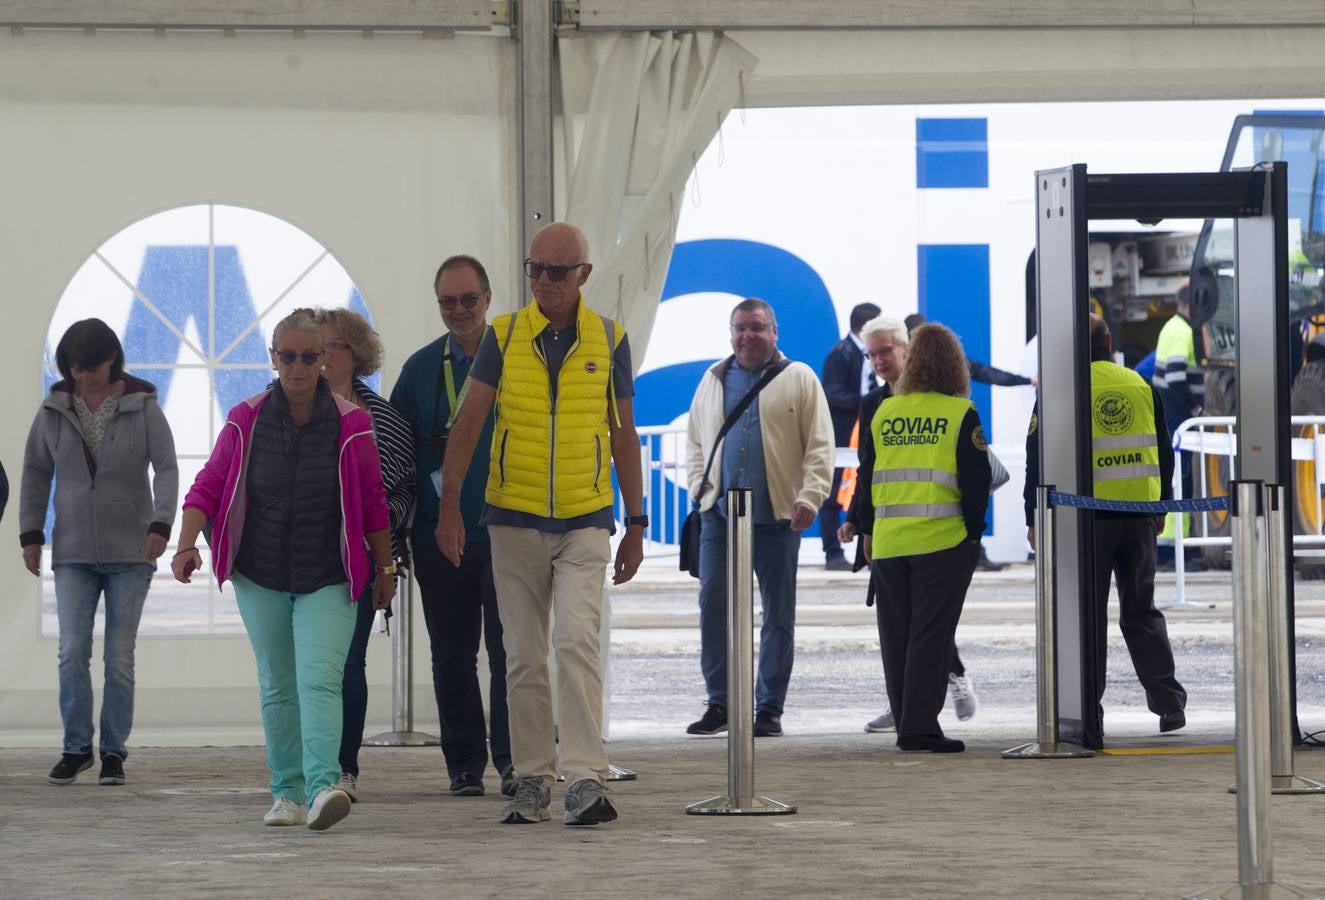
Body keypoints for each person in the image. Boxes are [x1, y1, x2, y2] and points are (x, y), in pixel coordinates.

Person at [436, 222, 645, 828]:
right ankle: (530, 776)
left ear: (583, 274)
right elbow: (468, 424)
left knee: (576, 643)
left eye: (557, 271)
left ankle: (584, 777)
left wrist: (636, 522)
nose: (544, 282)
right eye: (534, 270)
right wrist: (450, 506)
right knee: (522, 654)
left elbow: (624, 434)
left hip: (585, 518)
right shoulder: (501, 336)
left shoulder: (610, 339)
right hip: (512, 518)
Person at [171, 308, 395, 832]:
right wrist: (185, 545)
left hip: (331, 575)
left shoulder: (353, 424)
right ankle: (285, 793)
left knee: (320, 681)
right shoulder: (244, 419)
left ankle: (322, 787)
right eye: (288, 356)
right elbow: (207, 486)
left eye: (309, 357)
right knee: (277, 684)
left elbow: (372, 501)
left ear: (325, 360)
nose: (298, 367)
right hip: (260, 574)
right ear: (273, 359)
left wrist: (384, 567)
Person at [19, 318, 178, 787]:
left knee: (119, 657)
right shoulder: (53, 410)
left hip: (132, 551)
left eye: (90, 367)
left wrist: (161, 525)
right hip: (72, 552)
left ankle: (112, 752)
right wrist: (31, 534)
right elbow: (33, 473)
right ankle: (75, 748)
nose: (83, 377)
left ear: (112, 359)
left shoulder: (144, 408)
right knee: (71, 653)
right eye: (74, 368)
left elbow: (167, 469)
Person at [1025, 315, 1186, 743]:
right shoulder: (1140, 384)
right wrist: (1162, 503)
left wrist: (1032, 516)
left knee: (1087, 619)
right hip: (1137, 519)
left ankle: (1087, 714)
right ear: (1109, 341)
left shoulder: (1060, 391)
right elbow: (1163, 449)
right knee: (1141, 612)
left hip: (1086, 523)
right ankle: (1169, 704)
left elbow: (1034, 457)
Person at [390, 255, 514, 799]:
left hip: (511, 530)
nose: (459, 310)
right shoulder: (420, 369)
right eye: (448, 301)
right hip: (438, 537)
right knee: (452, 655)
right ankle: (464, 764)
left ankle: (517, 762)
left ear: (488, 297)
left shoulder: (517, 360)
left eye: (468, 299)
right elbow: (395, 452)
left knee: (513, 653)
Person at [684, 298, 835, 739]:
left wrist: (810, 496)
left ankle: (768, 709)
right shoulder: (713, 379)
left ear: (774, 332)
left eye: (756, 327)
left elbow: (820, 446)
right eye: (739, 328)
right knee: (713, 605)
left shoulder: (800, 378)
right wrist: (699, 487)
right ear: (730, 334)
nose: (747, 336)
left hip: (777, 519)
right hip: (719, 517)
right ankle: (721, 702)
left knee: (778, 614)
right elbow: (695, 441)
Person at [839, 317, 979, 735]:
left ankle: (907, 720)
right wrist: (974, 534)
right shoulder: (958, 412)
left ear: (909, 355)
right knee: (929, 636)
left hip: (891, 540)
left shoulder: (886, 412)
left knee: (899, 637)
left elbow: (872, 473)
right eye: (873, 354)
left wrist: (867, 526)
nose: (879, 361)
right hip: (940, 539)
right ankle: (918, 726)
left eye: (886, 352)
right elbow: (975, 483)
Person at [313, 307, 417, 803]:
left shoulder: (386, 420)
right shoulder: (284, 409)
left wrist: (378, 546)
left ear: (356, 356)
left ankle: (343, 769)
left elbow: (403, 493)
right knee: (306, 670)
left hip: (358, 559)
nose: (324, 357)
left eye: (334, 347)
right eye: (318, 347)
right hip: (298, 559)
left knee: (348, 664)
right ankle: (307, 768)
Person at [905, 312, 1028, 572]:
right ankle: (973, 544)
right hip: (948, 435)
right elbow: (987, 373)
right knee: (970, 482)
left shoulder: (896, 397)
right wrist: (1026, 381)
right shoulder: (959, 400)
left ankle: (973, 546)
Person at [819, 302, 881, 571]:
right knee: (832, 492)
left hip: (865, 431)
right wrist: (867, 402)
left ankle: (863, 549)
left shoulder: (868, 353)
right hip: (843, 434)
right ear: (866, 326)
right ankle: (832, 552)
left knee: (865, 487)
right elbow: (831, 392)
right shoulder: (840, 354)